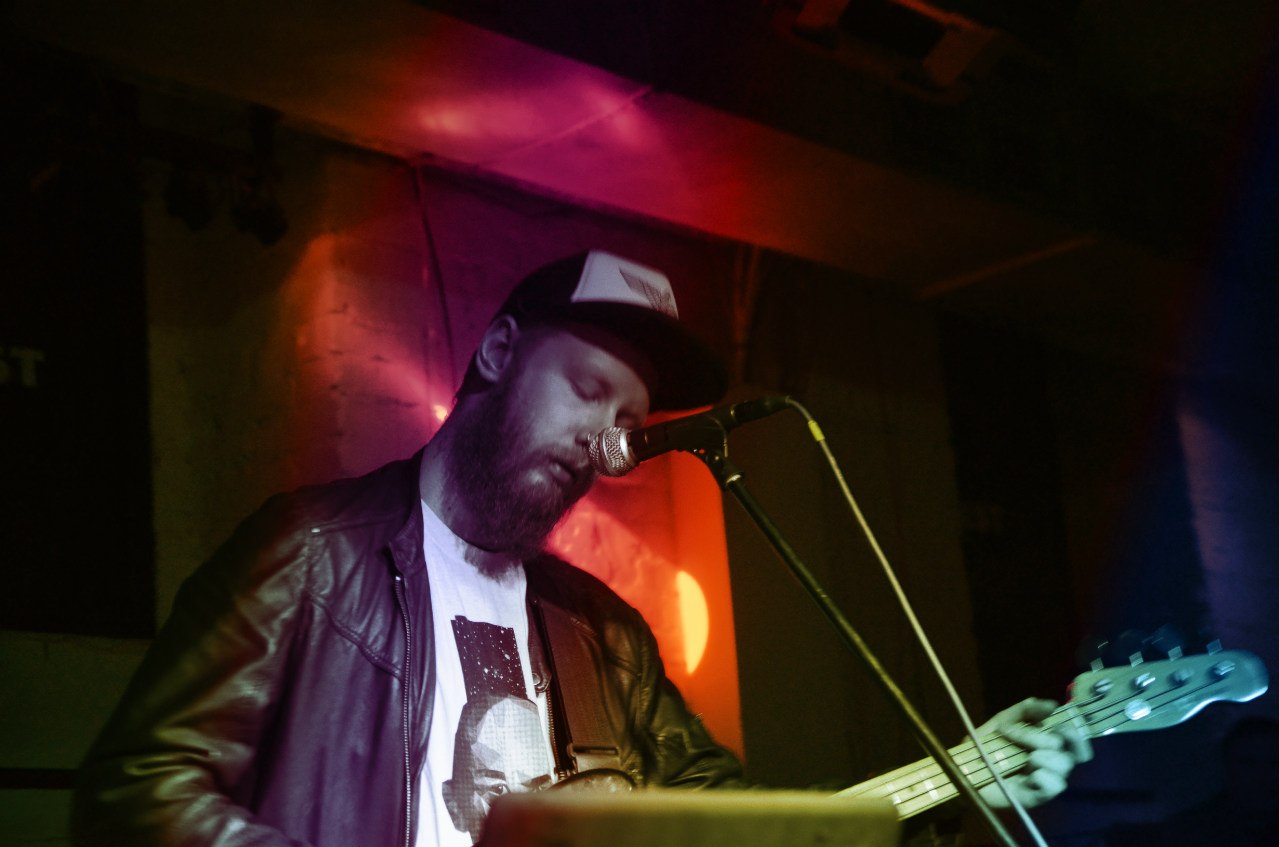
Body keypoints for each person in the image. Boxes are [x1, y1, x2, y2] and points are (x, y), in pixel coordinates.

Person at [70, 250, 1089, 847]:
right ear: (499, 352)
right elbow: (136, 789)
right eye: (588, 390)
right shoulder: (312, 554)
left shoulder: (606, 635)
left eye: (628, 422)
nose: (604, 440)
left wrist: (960, 780)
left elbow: (729, 825)